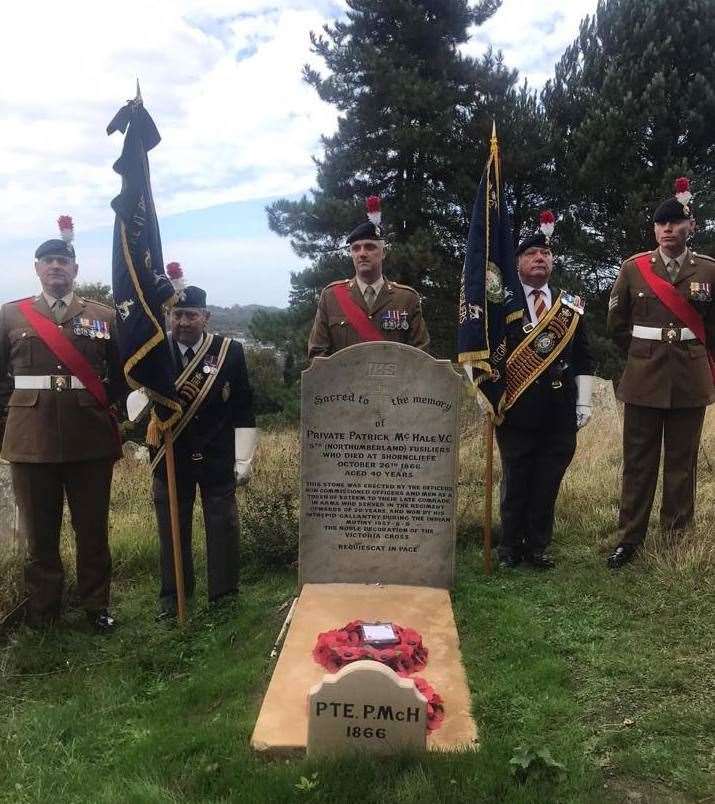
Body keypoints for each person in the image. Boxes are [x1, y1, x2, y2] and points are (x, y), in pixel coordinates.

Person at [0, 217, 124, 630]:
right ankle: (43, 612)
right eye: (47, 260)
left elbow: (121, 377)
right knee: (40, 535)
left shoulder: (102, 315)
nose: (55, 267)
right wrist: (12, 423)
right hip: (30, 442)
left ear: (74, 269)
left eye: (62, 261)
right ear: (37, 268)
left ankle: (95, 607)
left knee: (92, 530)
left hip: (89, 440)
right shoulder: (11, 316)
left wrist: (118, 420)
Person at [606, 178, 715, 568]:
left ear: (690, 227)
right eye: (660, 224)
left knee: (682, 462)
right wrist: (641, 358)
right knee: (638, 462)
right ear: (654, 230)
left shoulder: (708, 270)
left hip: (689, 379)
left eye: (675, 223)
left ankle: (675, 538)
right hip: (644, 378)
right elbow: (617, 325)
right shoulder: (634, 269)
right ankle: (629, 538)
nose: (668, 230)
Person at [140, 277, 256, 619]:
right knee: (171, 528)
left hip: (217, 455)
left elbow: (243, 407)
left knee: (223, 527)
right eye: (176, 314)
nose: (182, 322)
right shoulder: (154, 353)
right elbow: (135, 399)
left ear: (206, 317)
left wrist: (244, 456)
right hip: (170, 455)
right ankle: (173, 595)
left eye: (190, 314)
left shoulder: (228, 352)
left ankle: (224, 597)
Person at [496, 212, 595, 569]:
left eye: (545, 253)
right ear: (518, 262)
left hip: (559, 407)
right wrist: (488, 396)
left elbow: (584, 357)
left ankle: (537, 546)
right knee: (517, 476)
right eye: (531, 253)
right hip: (516, 405)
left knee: (548, 478)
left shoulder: (569, 306)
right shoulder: (503, 305)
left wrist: (584, 402)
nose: (540, 258)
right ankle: (509, 546)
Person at [307, 196, 430, 358]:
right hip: (345, 383)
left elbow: (420, 355)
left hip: (394, 383)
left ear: (383, 252)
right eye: (356, 248)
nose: (362, 254)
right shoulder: (331, 297)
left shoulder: (407, 298)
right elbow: (318, 354)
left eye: (370, 247)